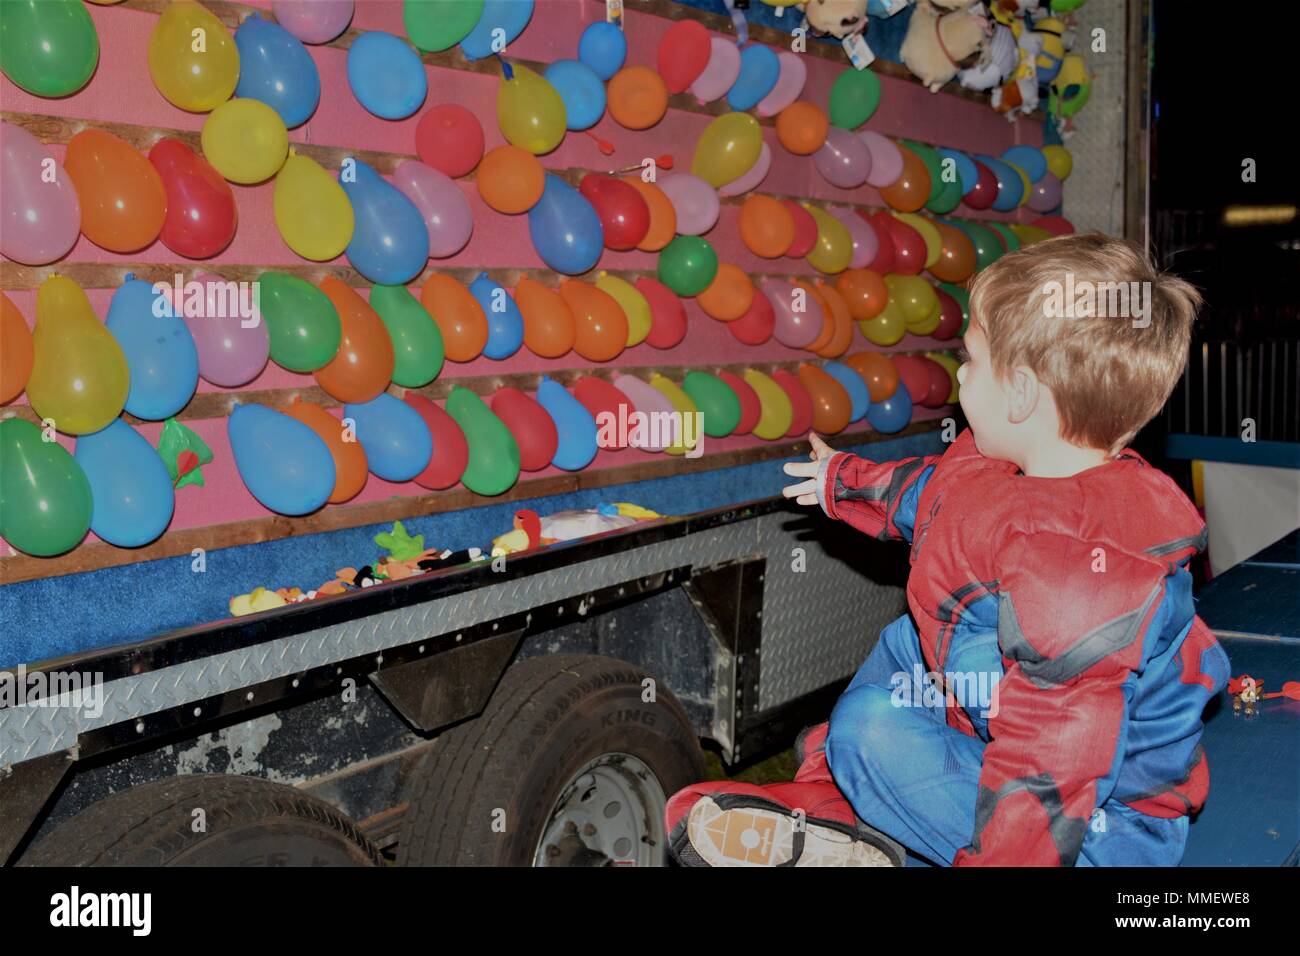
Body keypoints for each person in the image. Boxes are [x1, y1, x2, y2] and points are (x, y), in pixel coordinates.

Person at [666, 234, 1231, 867]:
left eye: (973, 359)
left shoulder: (1086, 568)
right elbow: (930, 496)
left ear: (1020, 395)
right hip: (990, 708)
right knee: (906, 644)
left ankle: (875, 828)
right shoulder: (996, 462)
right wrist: (842, 481)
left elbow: (1053, 760)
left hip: (1092, 827)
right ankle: (832, 803)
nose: (959, 373)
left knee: (869, 731)